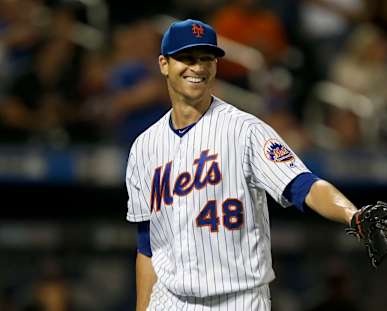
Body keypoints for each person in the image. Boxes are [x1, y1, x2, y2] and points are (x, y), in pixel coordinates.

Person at [125, 19, 359, 310]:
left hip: (238, 300)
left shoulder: (245, 130)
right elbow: (147, 246)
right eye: (186, 58)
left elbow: (302, 185)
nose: (197, 68)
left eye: (206, 58)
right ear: (164, 64)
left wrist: (355, 216)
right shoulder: (144, 147)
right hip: (170, 301)